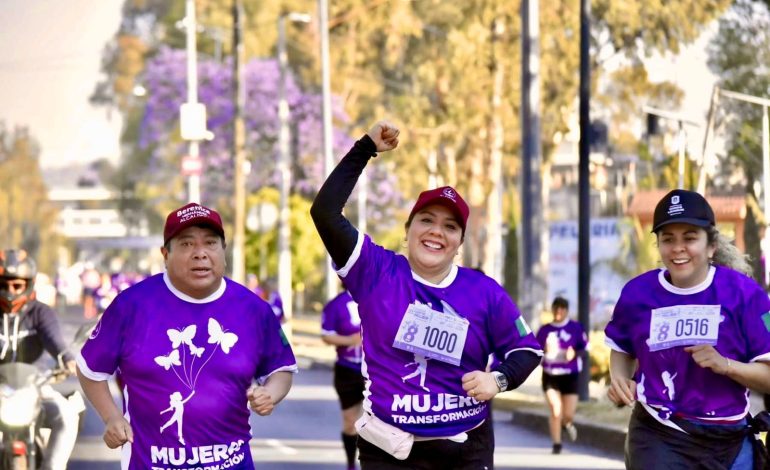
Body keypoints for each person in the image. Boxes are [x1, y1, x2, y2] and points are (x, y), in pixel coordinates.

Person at [310, 120, 543, 469]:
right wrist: (365, 148)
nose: (436, 232)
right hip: (390, 448)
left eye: (450, 227)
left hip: (465, 449)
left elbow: (527, 350)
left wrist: (497, 379)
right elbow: (325, 212)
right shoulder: (375, 271)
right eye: (426, 220)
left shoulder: (484, 291)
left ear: (459, 244)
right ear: (408, 230)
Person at [76, 202, 298, 469]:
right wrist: (111, 417)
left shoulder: (254, 310)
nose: (200, 254)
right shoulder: (131, 306)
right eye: (186, 244)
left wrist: (270, 394)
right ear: (165, 254)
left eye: (210, 243)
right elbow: (90, 369)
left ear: (223, 251)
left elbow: (282, 368)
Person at [605, 189, 770, 469]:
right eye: (668, 239)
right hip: (658, 432)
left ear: (711, 245)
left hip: (728, 439)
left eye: (690, 238)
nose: (678, 248)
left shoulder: (746, 295)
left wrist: (725, 365)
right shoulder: (638, 294)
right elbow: (622, 348)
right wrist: (620, 379)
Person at [0, 249, 80, 470]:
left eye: (17, 285)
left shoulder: (40, 313)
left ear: (29, 284)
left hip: (35, 386)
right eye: (4, 285)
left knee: (66, 415)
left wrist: (67, 360)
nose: (10, 291)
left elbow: (55, 340)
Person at [535, 296, 588, 454]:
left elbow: (584, 350)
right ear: (552, 309)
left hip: (570, 375)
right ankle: (557, 444)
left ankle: (567, 424)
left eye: (562, 308)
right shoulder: (544, 330)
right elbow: (535, 353)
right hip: (550, 374)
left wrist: (574, 354)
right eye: (556, 308)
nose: (558, 311)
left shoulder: (576, 328)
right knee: (555, 408)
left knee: (568, 414)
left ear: (566, 310)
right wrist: (545, 351)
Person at [321, 286, 364, 470]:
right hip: (348, 369)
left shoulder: (378, 297)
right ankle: (350, 463)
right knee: (350, 420)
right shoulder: (336, 305)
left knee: (378, 420)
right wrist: (351, 340)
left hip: (375, 371)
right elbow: (327, 335)